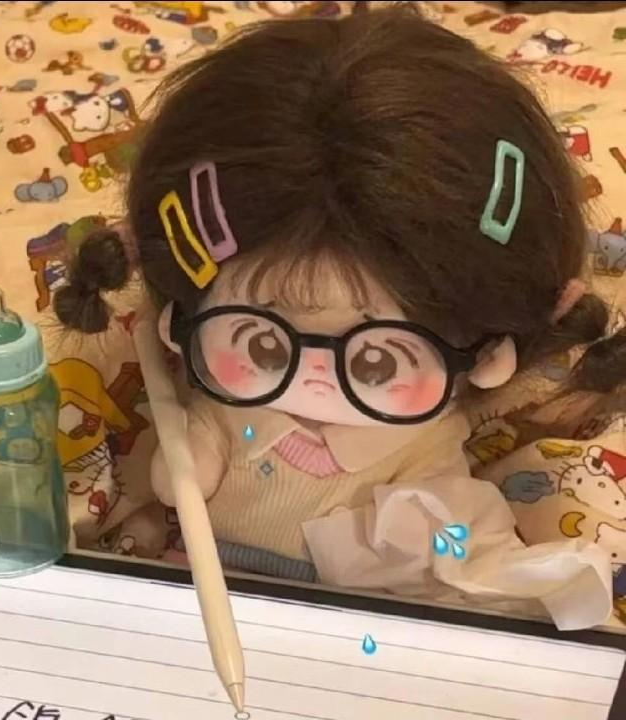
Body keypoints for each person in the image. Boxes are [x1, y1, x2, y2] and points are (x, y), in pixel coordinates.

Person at [54, 5, 626, 628]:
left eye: (377, 361)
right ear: (180, 322)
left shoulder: (421, 452)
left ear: (489, 355)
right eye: (264, 346)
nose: (317, 378)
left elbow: (460, 540)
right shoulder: (219, 396)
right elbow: (183, 464)